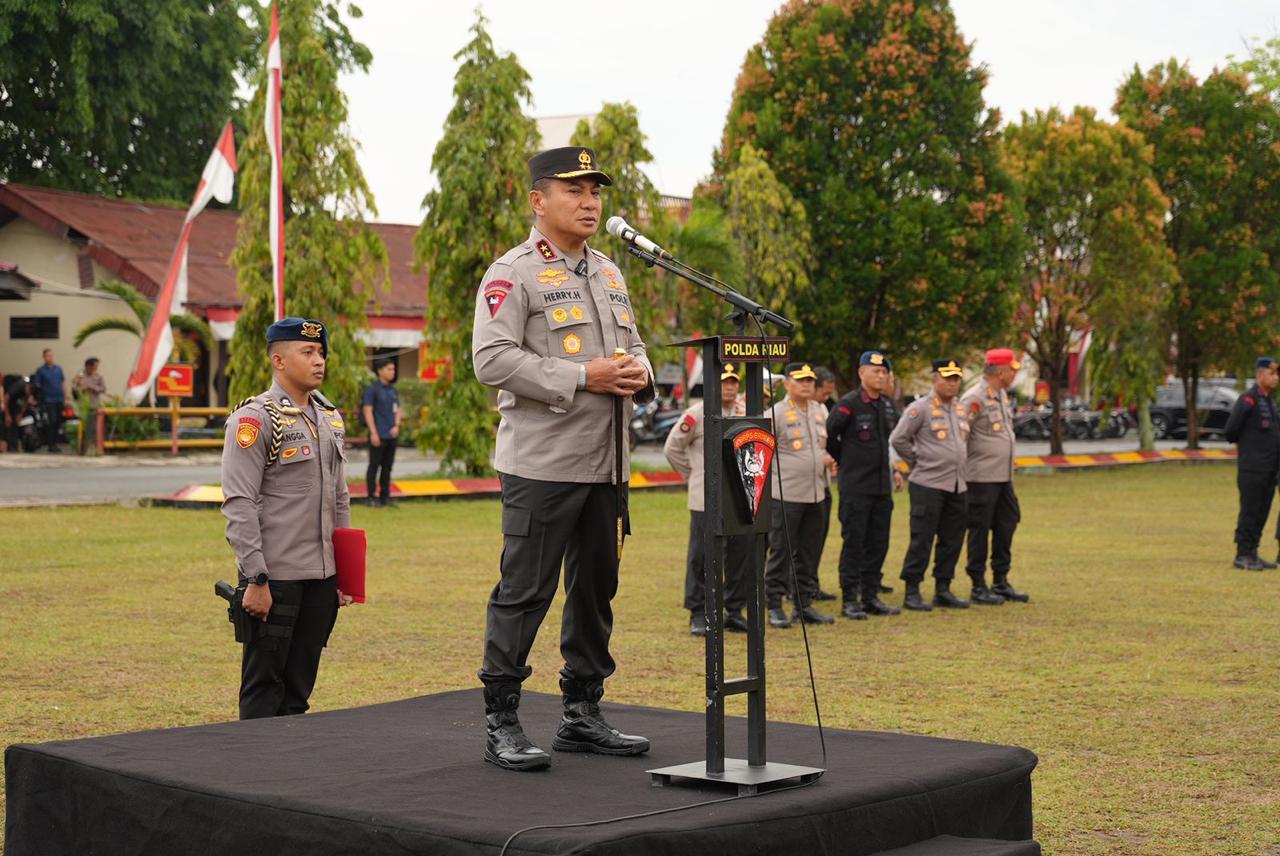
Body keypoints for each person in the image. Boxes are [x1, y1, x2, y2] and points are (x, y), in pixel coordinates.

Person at [471, 146, 655, 772]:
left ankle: (582, 713)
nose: (589, 202)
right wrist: (582, 376)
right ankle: (501, 720)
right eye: (574, 190)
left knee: (596, 591)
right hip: (542, 464)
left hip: (606, 464)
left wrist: (638, 371)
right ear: (537, 200)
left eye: (595, 191)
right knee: (526, 591)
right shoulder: (513, 273)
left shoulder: (608, 271)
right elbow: (491, 360)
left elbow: (633, 345)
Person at [220, 318, 354, 720]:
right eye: (307, 352)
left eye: (321, 352)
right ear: (278, 360)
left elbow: (340, 498)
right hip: (276, 576)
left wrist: (347, 574)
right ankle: (257, 760)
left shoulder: (329, 417)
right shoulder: (255, 419)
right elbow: (239, 502)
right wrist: (256, 577)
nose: (319, 361)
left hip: (322, 578)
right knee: (263, 690)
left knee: (299, 692)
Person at [664, 362, 751, 637]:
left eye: (733, 382)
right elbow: (672, 448)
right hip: (705, 497)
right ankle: (699, 612)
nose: (729, 387)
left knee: (739, 554)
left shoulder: (744, 412)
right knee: (702, 555)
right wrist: (693, 475)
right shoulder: (697, 413)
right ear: (713, 385)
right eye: (724, 382)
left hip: (738, 496)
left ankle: (733, 610)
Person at [826, 351, 903, 620]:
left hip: (881, 488)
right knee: (854, 544)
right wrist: (845, 461)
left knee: (878, 544)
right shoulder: (848, 404)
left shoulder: (888, 406)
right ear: (861, 373)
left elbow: (889, 443)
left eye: (884, 372)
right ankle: (850, 599)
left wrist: (894, 470)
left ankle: (870, 596)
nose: (881, 376)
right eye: (875, 371)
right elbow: (830, 436)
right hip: (856, 488)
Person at [889, 359, 971, 611]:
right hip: (928, 484)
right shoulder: (920, 408)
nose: (952, 383)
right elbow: (898, 439)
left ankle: (943, 588)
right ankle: (912, 590)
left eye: (956, 378)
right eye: (947, 378)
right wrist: (917, 461)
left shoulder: (960, 408)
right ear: (935, 379)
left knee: (952, 539)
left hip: (957, 484)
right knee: (922, 538)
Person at [764, 362, 837, 628]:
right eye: (800, 380)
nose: (806, 385)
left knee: (809, 552)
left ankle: (803, 605)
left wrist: (826, 459)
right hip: (786, 493)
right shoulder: (775, 414)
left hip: (816, 492)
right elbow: (763, 452)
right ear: (787, 384)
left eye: (809, 380)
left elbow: (820, 446)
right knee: (781, 550)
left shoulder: (819, 410)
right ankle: (774, 604)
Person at [961, 348, 1030, 603]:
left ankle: (1001, 580)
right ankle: (978, 585)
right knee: (979, 529)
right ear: (1000, 372)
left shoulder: (1000, 394)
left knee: (1007, 523)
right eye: (1012, 370)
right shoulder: (974, 398)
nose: (1014, 375)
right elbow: (960, 436)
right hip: (980, 478)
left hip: (1003, 477)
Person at [1224, 356, 1280, 571]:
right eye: (1271, 373)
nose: (1276, 378)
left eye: (1277, 374)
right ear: (1259, 375)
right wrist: (1251, 447)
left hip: (1270, 468)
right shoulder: (1248, 400)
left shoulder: (1270, 401)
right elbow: (1231, 430)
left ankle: (1253, 552)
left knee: (1262, 512)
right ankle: (1242, 554)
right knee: (1250, 511)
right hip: (1253, 467)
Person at [811, 366, 839, 602]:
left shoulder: (821, 409)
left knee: (817, 537)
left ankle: (811, 583)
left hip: (822, 483)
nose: (827, 397)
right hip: (798, 487)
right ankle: (791, 586)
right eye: (825, 392)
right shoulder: (790, 411)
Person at [361, 357, 401, 508]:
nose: (393, 372)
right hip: (378, 434)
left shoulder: (393, 390)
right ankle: (371, 497)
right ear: (380, 371)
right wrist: (373, 433)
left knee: (387, 467)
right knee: (374, 466)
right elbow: (368, 411)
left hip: (391, 435)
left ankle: (385, 497)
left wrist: (397, 425)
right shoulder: (372, 390)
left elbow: (398, 409)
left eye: (393, 369)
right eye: (389, 369)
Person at [32, 349, 66, 453]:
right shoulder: (41, 370)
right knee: (52, 421)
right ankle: (51, 444)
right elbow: (37, 384)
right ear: (44, 357)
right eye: (47, 356)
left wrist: (65, 396)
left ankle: (55, 443)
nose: (50, 358)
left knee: (58, 422)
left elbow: (62, 382)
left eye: (51, 355)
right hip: (48, 399)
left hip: (59, 398)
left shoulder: (58, 369)